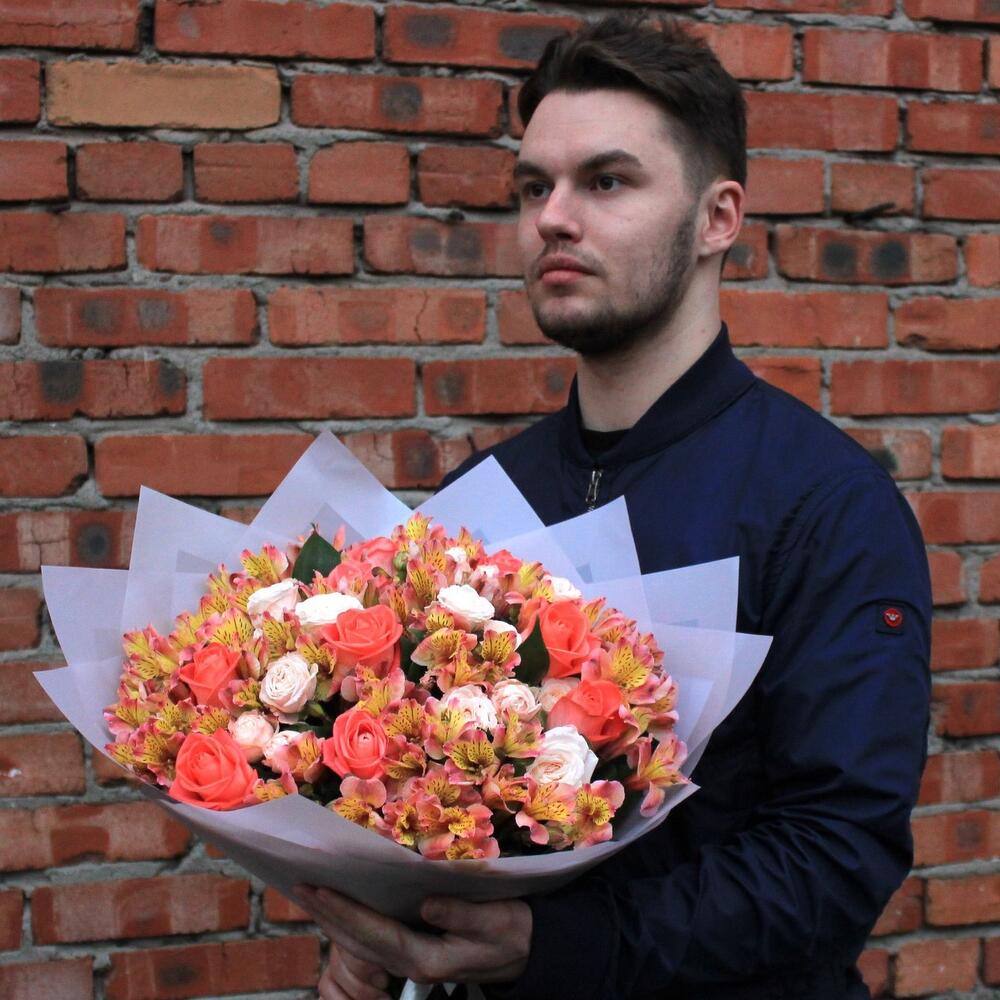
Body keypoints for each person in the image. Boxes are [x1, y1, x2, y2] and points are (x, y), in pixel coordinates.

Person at [295, 14, 931, 1000]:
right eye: (533, 187)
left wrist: (556, 946)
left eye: (605, 181)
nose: (553, 217)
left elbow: (836, 856)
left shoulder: (824, 506)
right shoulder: (480, 499)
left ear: (717, 218)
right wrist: (379, 933)